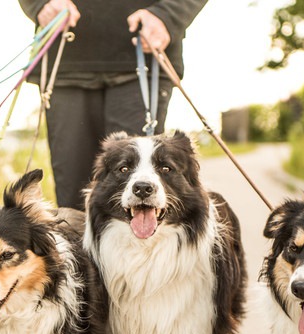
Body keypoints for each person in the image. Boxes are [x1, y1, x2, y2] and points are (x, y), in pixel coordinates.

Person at [18, 0, 209, 209]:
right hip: (66, 63)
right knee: (72, 201)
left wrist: (168, 14)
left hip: (142, 59)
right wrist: (40, 4)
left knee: (140, 196)